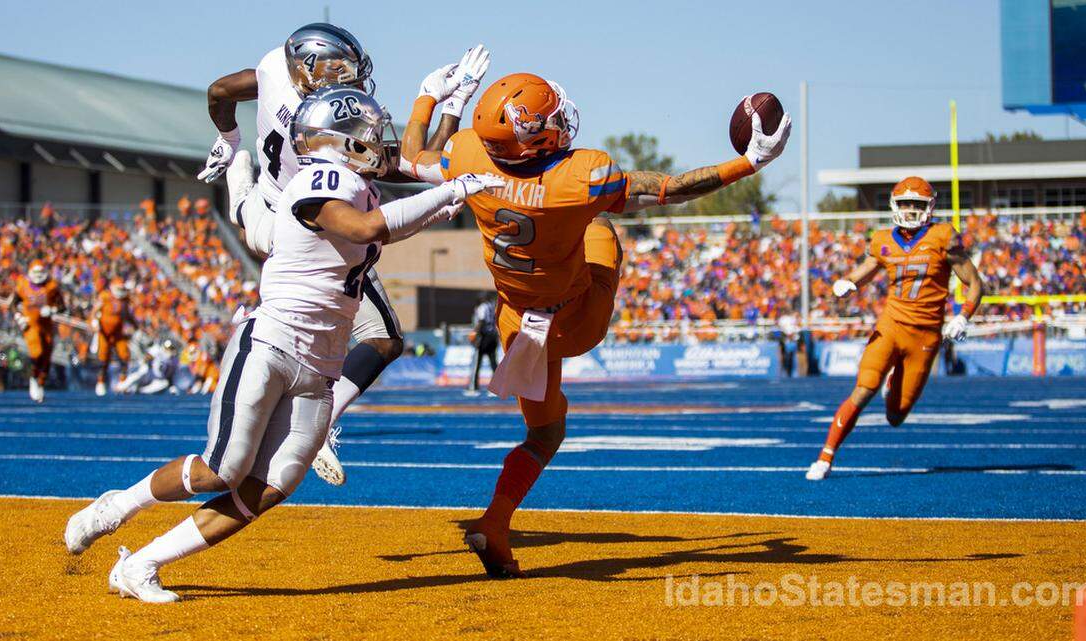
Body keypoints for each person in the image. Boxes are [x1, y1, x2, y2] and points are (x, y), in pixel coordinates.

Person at [64, 85, 502, 603]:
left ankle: (142, 564)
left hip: (321, 365)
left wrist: (452, 170)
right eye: (367, 133)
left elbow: (388, 220)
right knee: (220, 470)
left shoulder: (355, 183)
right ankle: (118, 506)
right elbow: (366, 227)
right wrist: (453, 190)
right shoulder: (321, 179)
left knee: (269, 487)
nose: (377, 141)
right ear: (343, 140)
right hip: (271, 343)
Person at [401, 72, 791, 577]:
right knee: (600, 223)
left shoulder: (468, 154)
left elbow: (412, 156)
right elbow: (670, 189)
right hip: (575, 319)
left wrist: (430, 96)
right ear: (532, 134)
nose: (561, 119)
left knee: (542, 435)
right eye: (551, 118)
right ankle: (494, 525)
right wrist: (748, 162)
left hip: (517, 324)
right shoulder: (582, 175)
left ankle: (496, 521)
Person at [199, 22, 491, 486]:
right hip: (302, 232)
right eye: (338, 69)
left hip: (264, 212)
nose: (350, 80)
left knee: (247, 212)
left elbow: (219, 91)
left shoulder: (276, 65)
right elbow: (418, 165)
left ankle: (238, 175)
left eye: (349, 69)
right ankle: (319, 416)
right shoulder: (320, 123)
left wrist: (229, 137)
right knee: (384, 337)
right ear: (308, 68)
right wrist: (448, 106)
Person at [805, 176, 985, 481]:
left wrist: (963, 316)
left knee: (895, 416)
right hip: (891, 326)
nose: (912, 210)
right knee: (863, 390)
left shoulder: (943, 236)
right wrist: (849, 282)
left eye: (917, 204)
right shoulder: (882, 239)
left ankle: (894, 386)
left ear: (930, 206)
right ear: (894, 206)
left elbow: (976, 284)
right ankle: (825, 457)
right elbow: (867, 270)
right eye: (906, 204)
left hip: (925, 336)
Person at [10, 260, 65, 402]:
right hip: (31, 325)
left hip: (47, 326)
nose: (39, 275)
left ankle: (40, 382)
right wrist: (18, 317)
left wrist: (53, 309)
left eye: (41, 272)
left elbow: (62, 306)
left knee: (46, 358)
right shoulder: (23, 284)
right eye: (36, 272)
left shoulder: (51, 286)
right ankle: (34, 377)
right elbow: (13, 303)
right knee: (37, 352)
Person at [91, 278, 133, 397]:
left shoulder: (125, 299)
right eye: (119, 289)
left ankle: (123, 382)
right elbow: (95, 311)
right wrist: (94, 322)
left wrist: (135, 325)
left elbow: (127, 314)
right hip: (104, 332)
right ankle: (100, 382)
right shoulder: (104, 296)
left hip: (118, 332)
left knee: (125, 355)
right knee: (103, 357)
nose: (121, 291)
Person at [466, 291, 498, 393]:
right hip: (493, 336)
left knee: (476, 363)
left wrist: (475, 333)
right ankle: (497, 387)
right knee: (493, 363)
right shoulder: (493, 306)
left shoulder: (482, 307)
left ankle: (473, 387)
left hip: (484, 337)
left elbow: (481, 321)